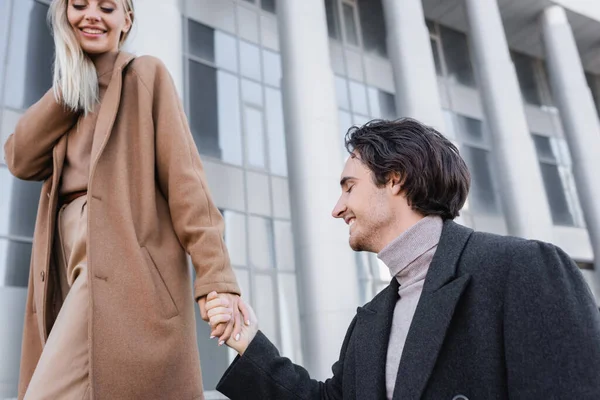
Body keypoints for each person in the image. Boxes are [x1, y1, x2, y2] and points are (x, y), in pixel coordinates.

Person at [206, 118, 600, 399]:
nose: (337, 208)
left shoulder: (523, 269)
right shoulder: (371, 320)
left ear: (395, 178)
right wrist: (248, 341)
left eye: (349, 186)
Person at [4, 1, 246, 399]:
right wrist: (69, 85)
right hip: (66, 266)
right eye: (79, 5)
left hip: (122, 262)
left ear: (126, 20)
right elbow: (19, 157)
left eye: (107, 7)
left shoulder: (145, 75)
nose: (92, 15)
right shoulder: (68, 97)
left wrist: (216, 279)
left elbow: (187, 184)